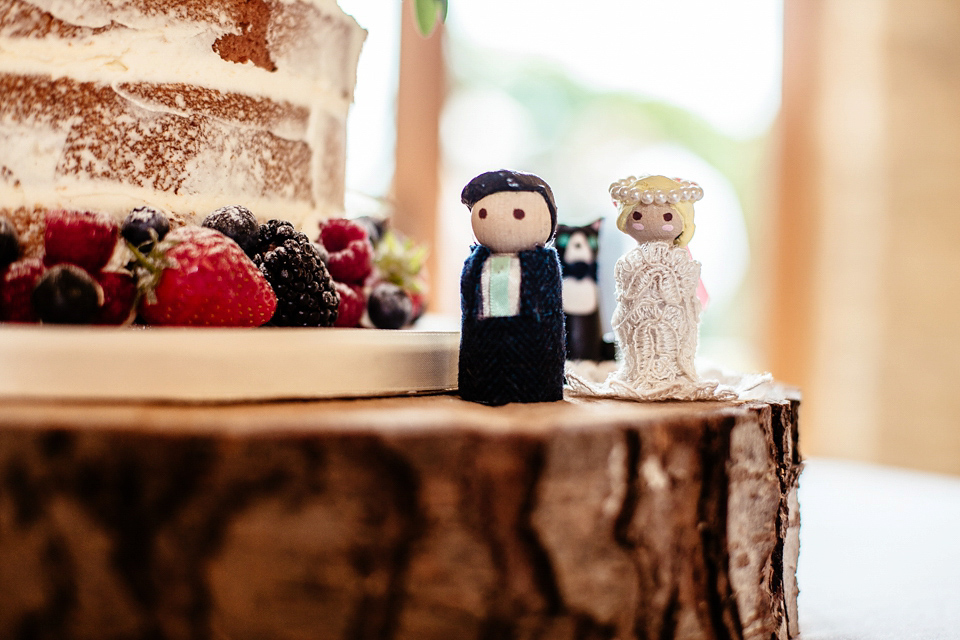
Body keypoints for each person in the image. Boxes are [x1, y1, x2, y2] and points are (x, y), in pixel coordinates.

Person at [458, 169, 565, 405]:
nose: (501, 220)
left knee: (533, 372)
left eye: (518, 213)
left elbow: (549, 312)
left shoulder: (544, 266)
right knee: (483, 372)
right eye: (484, 213)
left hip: (533, 342)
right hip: (483, 339)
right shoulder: (475, 264)